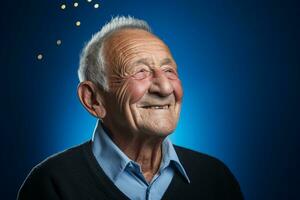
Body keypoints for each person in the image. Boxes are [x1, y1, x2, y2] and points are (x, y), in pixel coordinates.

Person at [17, 16, 243, 200]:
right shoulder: (51, 184)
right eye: (140, 71)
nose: (165, 88)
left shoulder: (215, 178)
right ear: (94, 99)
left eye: (169, 71)